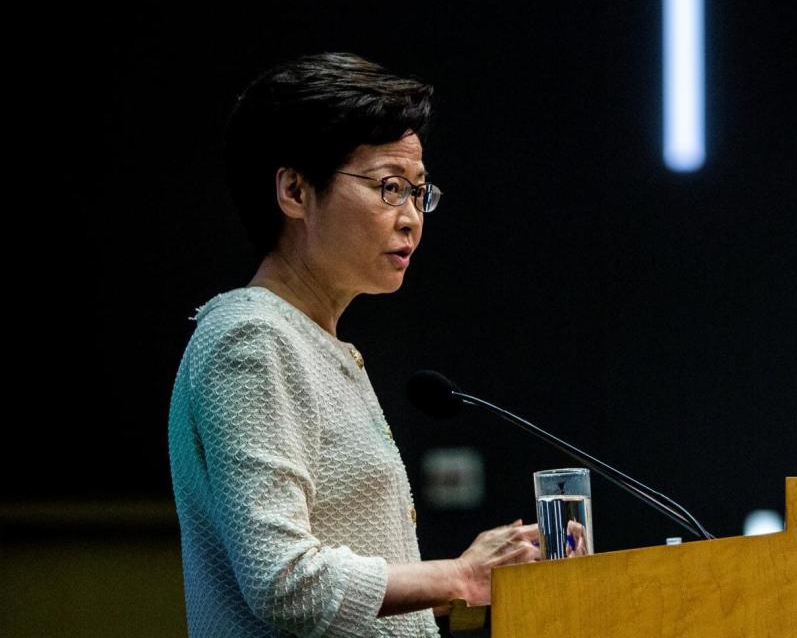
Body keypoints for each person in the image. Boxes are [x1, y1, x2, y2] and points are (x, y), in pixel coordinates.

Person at [168, 52, 541, 638]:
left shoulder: (311, 341)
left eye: (420, 193)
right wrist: (459, 577)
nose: (413, 218)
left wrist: (463, 585)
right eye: (390, 187)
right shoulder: (251, 338)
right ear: (294, 190)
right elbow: (284, 580)